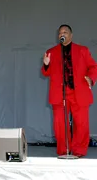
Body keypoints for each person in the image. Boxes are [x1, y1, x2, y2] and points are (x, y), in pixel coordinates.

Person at [41, 24, 97, 157]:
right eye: (60, 33)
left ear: (71, 35)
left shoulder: (82, 50)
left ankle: (78, 151)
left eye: (65, 32)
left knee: (81, 123)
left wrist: (90, 78)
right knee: (60, 124)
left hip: (79, 92)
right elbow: (45, 73)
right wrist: (46, 64)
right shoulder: (52, 52)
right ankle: (63, 151)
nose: (62, 34)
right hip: (59, 93)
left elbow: (93, 67)